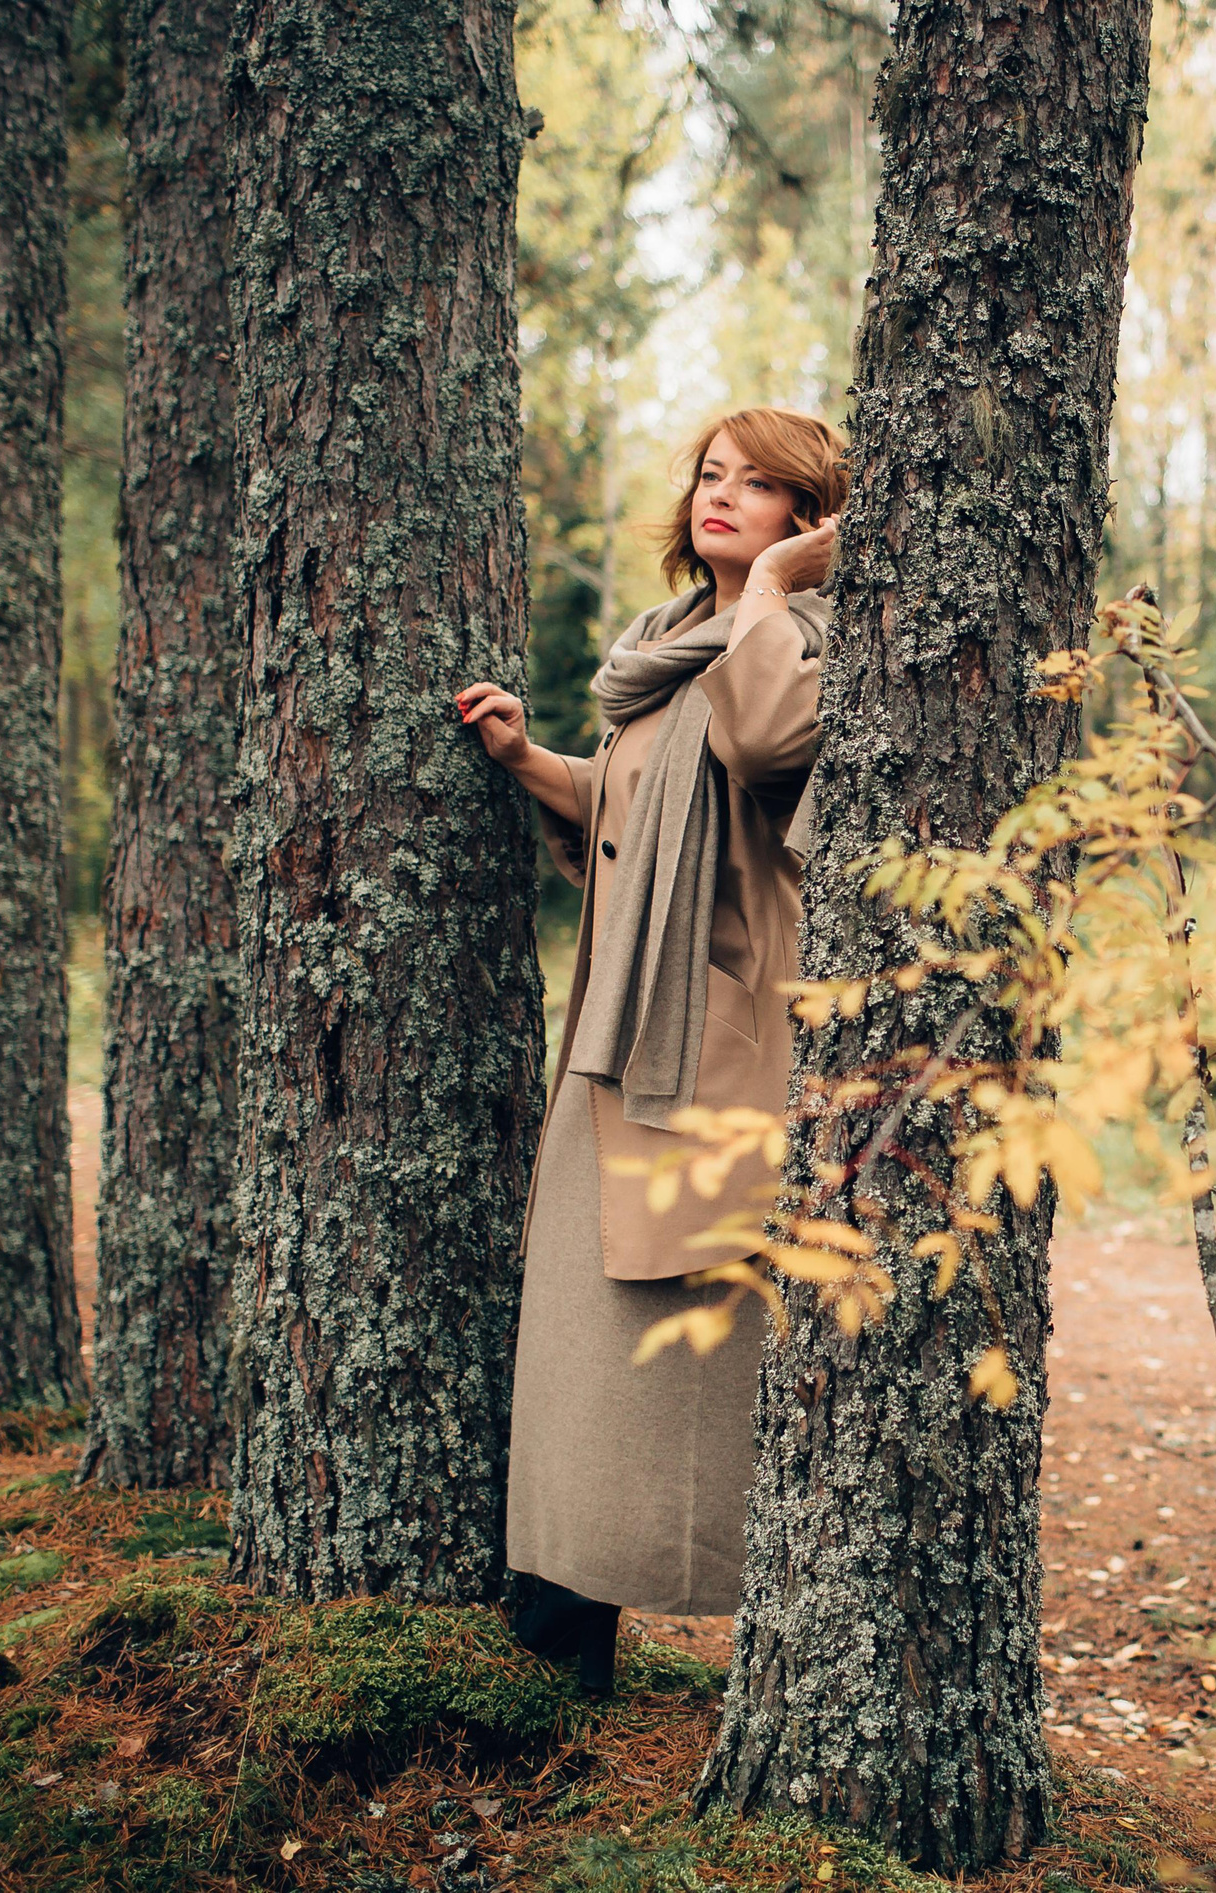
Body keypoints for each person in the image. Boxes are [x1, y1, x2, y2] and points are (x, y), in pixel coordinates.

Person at [457, 407, 844, 1693]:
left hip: (714, 1054)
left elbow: (765, 744)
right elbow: (634, 814)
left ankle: (772, 1670)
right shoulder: (668, 648)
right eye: (711, 478)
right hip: (616, 1038)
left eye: (762, 487)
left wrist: (780, 592)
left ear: (810, 515)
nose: (722, 499)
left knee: (686, 1356)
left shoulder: (804, 640)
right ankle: (554, 1654)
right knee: (578, 1356)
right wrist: (529, 762)